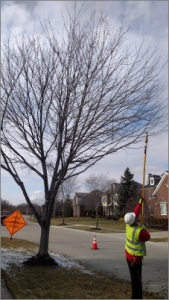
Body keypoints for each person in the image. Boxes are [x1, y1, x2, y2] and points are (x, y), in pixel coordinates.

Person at [124, 198, 150, 299]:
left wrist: (139, 203)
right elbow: (147, 237)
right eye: (135, 218)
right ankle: (136, 297)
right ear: (134, 221)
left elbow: (135, 213)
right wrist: (143, 228)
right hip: (135, 260)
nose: (136, 217)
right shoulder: (139, 232)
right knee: (137, 281)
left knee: (134, 278)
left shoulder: (128, 225)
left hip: (129, 256)